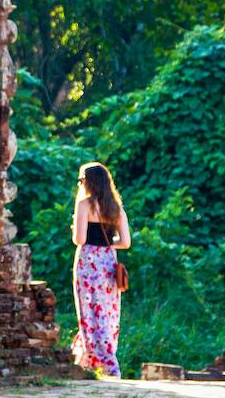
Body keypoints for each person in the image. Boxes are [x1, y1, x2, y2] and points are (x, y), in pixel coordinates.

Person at [70, 161, 130, 377]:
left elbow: (80, 239)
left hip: (88, 261)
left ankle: (92, 359)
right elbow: (126, 243)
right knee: (106, 311)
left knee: (88, 310)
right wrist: (107, 245)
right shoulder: (116, 208)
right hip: (107, 262)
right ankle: (104, 357)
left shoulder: (85, 205)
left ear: (89, 183)